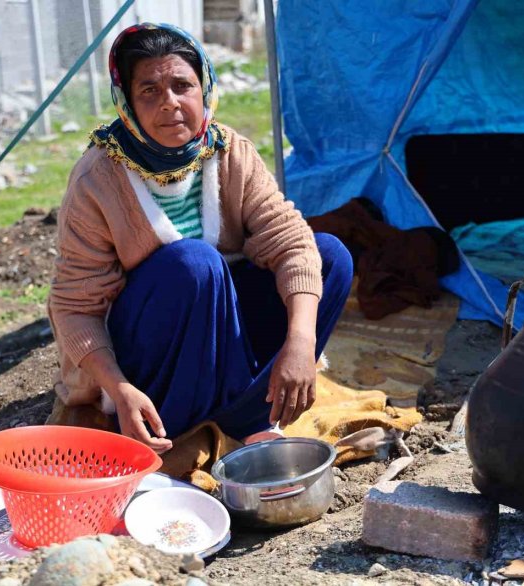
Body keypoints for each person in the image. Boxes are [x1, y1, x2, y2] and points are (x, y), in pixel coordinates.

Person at [47, 23, 352, 453]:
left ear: (203, 89)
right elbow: (74, 307)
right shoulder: (99, 178)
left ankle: (248, 412)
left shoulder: (230, 151)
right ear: (127, 102)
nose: (169, 103)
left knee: (329, 256)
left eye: (181, 86)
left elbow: (290, 242)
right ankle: (163, 418)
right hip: (150, 358)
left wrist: (301, 345)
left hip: (220, 334)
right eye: (149, 90)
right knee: (195, 263)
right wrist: (118, 390)